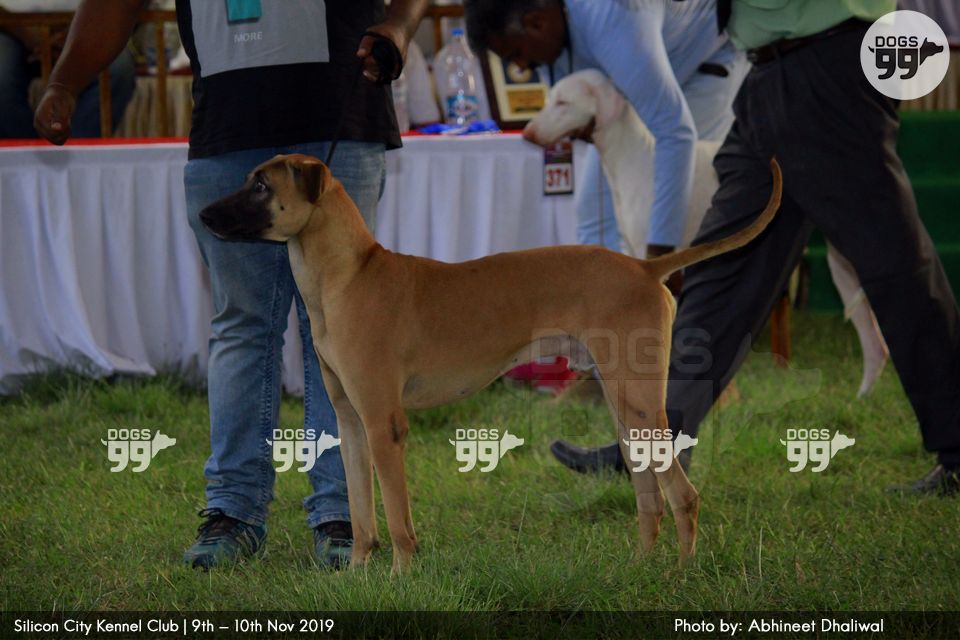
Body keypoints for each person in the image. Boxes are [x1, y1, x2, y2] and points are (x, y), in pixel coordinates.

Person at [35, 0, 428, 568]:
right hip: (229, 123)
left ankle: (344, 517)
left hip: (340, 109)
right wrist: (64, 82)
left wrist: (399, 24)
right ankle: (234, 512)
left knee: (344, 332)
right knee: (242, 324)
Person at [535, 0, 960, 496]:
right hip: (770, 73)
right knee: (719, 270)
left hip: (825, 65)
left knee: (893, 263)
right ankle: (654, 446)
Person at [465, 0, 749, 267]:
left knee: (671, 223)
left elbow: (676, 133)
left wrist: (661, 254)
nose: (520, 67)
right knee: (596, 216)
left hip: (704, 65)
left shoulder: (612, 18)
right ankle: (615, 302)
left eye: (516, 54)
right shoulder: (552, 38)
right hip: (641, 75)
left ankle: (679, 295)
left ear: (537, 23)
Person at [0, 0, 134, 138]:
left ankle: (77, 145)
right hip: (8, 27)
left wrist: (79, 32)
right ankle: (27, 147)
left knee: (119, 69)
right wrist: (25, 31)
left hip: (92, 22)